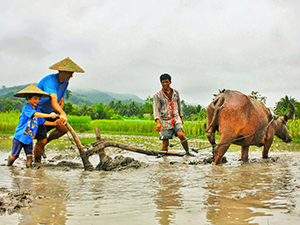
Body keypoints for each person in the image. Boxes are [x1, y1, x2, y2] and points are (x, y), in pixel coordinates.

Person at [34, 57, 85, 163]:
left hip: (51, 114)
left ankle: (45, 143)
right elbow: (53, 99)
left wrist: (59, 114)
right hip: (39, 114)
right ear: (62, 72)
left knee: (63, 128)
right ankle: (37, 163)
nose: (71, 76)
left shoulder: (65, 83)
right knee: (41, 140)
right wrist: (63, 113)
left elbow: (60, 100)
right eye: (69, 73)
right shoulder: (50, 81)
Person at [7, 84, 58, 168]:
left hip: (29, 137)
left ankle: (29, 174)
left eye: (38, 99)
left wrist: (55, 123)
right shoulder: (26, 107)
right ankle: (8, 166)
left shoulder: (37, 109)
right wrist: (49, 115)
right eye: (35, 98)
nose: (37, 101)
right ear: (28, 98)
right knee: (14, 156)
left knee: (30, 157)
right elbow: (35, 114)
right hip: (20, 137)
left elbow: (43, 122)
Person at [153, 73, 190, 155]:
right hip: (165, 121)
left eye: (166, 82)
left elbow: (179, 106)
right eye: (163, 82)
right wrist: (158, 123)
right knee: (165, 142)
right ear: (161, 83)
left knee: (181, 135)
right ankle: (163, 157)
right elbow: (156, 110)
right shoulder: (158, 96)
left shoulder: (176, 93)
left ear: (170, 82)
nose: (165, 84)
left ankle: (187, 152)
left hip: (176, 119)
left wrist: (181, 117)